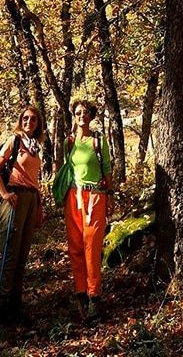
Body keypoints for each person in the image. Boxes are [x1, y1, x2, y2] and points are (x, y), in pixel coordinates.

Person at [0, 103, 44, 324]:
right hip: (14, 197)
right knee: (11, 254)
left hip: (31, 198)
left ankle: (15, 306)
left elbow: (34, 178)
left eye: (33, 119)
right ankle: (1, 309)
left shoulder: (36, 146)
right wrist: (4, 193)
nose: (29, 122)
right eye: (25, 118)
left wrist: (39, 203)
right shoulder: (15, 141)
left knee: (23, 254)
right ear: (20, 120)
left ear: (38, 123)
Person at [62, 99, 114, 322]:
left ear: (91, 116)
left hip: (95, 197)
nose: (81, 116)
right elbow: (66, 168)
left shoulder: (98, 141)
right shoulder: (69, 142)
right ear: (73, 116)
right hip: (73, 197)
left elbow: (107, 169)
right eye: (78, 112)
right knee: (74, 246)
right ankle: (80, 292)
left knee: (91, 245)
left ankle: (94, 297)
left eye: (85, 113)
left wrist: (110, 195)